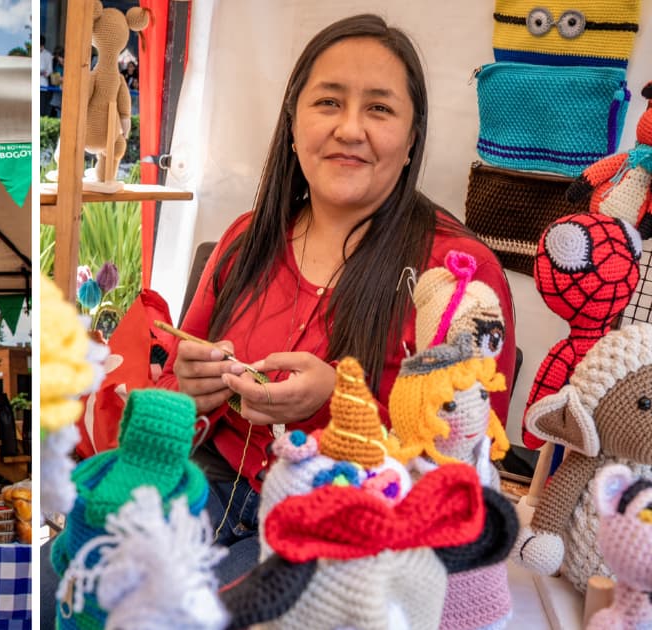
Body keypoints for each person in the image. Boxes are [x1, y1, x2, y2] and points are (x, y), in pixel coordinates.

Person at [157, 14, 516, 584]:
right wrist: (186, 388)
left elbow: (465, 469)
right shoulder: (245, 240)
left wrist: (340, 405)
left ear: (411, 137)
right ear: (294, 122)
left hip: (348, 531)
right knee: (79, 584)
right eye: (328, 102)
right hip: (209, 487)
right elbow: (170, 387)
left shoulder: (457, 276)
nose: (350, 129)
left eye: (379, 108)